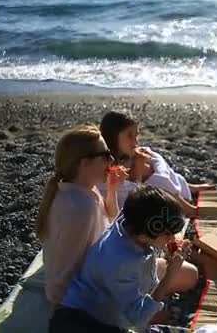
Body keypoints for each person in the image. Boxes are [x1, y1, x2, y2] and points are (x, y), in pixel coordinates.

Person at [49, 185, 200, 332]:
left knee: (189, 275)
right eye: (167, 234)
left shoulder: (130, 222)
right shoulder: (122, 261)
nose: (172, 238)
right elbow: (137, 319)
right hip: (84, 322)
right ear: (143, 235)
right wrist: (170, 275)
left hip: (100, 308)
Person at [36, 125, 127, 306]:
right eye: (105, 155)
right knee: (186, 274)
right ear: (84, 163)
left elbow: (109, 218)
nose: (111, 160)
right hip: (74, 297)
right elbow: (87, 264)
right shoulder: (81, 207)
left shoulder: (75, 189)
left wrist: (112, 189)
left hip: (67, 289)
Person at [98, 111, 214, 216]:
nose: (135, 141)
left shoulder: (126, 154)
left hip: (147, 188)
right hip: (135, 207)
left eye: (136, 135)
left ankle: (187, 187)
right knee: (151, 173)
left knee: (151, 159)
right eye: (129, 135)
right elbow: (132, 195)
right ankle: (186, 207)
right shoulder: (107, 165)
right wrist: (138, 170)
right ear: (113, 137)